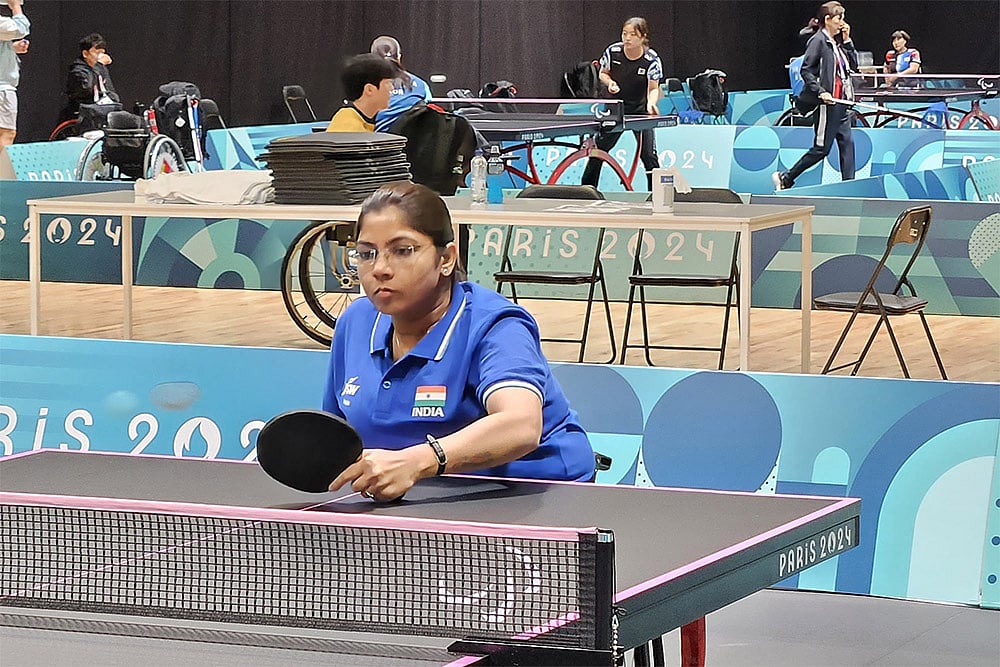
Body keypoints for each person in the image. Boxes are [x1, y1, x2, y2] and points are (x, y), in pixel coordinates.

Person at [323, 182, 596, 501]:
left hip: (534, 491)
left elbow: (522, 424)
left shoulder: (496, 325)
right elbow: (336, 434)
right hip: (421, 496)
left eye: (402, 251)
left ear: (446, 259)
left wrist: (416, 462)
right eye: (367, 254)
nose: (380, 269)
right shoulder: (355, 322)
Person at [772, 1, 858, 190]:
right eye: (839, 19)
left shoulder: (838, 43)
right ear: (827, 20)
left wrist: (848, 40)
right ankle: (786, 177)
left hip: (842, 103)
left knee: (848, 144)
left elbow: (853, 66)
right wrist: (821, 92)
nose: (842, 23)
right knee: (821, 149)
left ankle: (850, 187)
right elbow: (806, 71)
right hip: (827, 104)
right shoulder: (818, 41)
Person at [581, 17, 662, 191]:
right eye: (625, 33)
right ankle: (586, 191)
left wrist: (652, 103)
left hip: (641, 112)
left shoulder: (651, 59)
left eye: (633, 34)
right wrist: (609, 82)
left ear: (643, 37)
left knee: (648, 156)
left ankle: (656, 195)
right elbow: (603, 73)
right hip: (615, 110)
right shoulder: (613, 51)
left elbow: (654, 88)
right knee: (598, 151)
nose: (627, 38)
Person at [369, 35, 432, 132]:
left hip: (377, 144)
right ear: (399, 56)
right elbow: (429, 110)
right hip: (413, 143)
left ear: (372, 58)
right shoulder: (421, 85)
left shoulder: (367, 86)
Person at [325, 53, 397, 133]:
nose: (392, 88)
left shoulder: (356, 120)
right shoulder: (347, 128)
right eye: (388, 83)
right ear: (369, 89)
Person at [59, 33, 119, 123]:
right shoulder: (77, 71)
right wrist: (98, 65)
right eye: (97, 52)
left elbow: (109, 89)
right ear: (85, 54)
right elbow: (87, 89)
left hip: (101, 109)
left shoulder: (101, 68)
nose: (100, 56)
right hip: (83, 112)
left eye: (102, 53)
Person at [0, 0, 29, 149]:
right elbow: (21, 28)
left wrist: (10, 48)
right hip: (2, 88)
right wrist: (15, 5)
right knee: (6, 133)